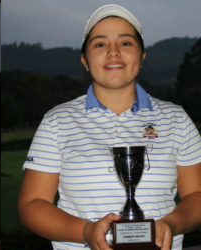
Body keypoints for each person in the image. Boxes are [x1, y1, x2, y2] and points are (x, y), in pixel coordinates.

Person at [18, 4, 201, 250]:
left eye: (126, 43)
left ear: (142, 55)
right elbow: (32, 204)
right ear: (84, 60)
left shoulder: (177, 119)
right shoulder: (57, 121)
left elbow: (197, 197)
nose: (113, 52)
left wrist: (171, 224)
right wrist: (86, 232)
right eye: (100, 44)